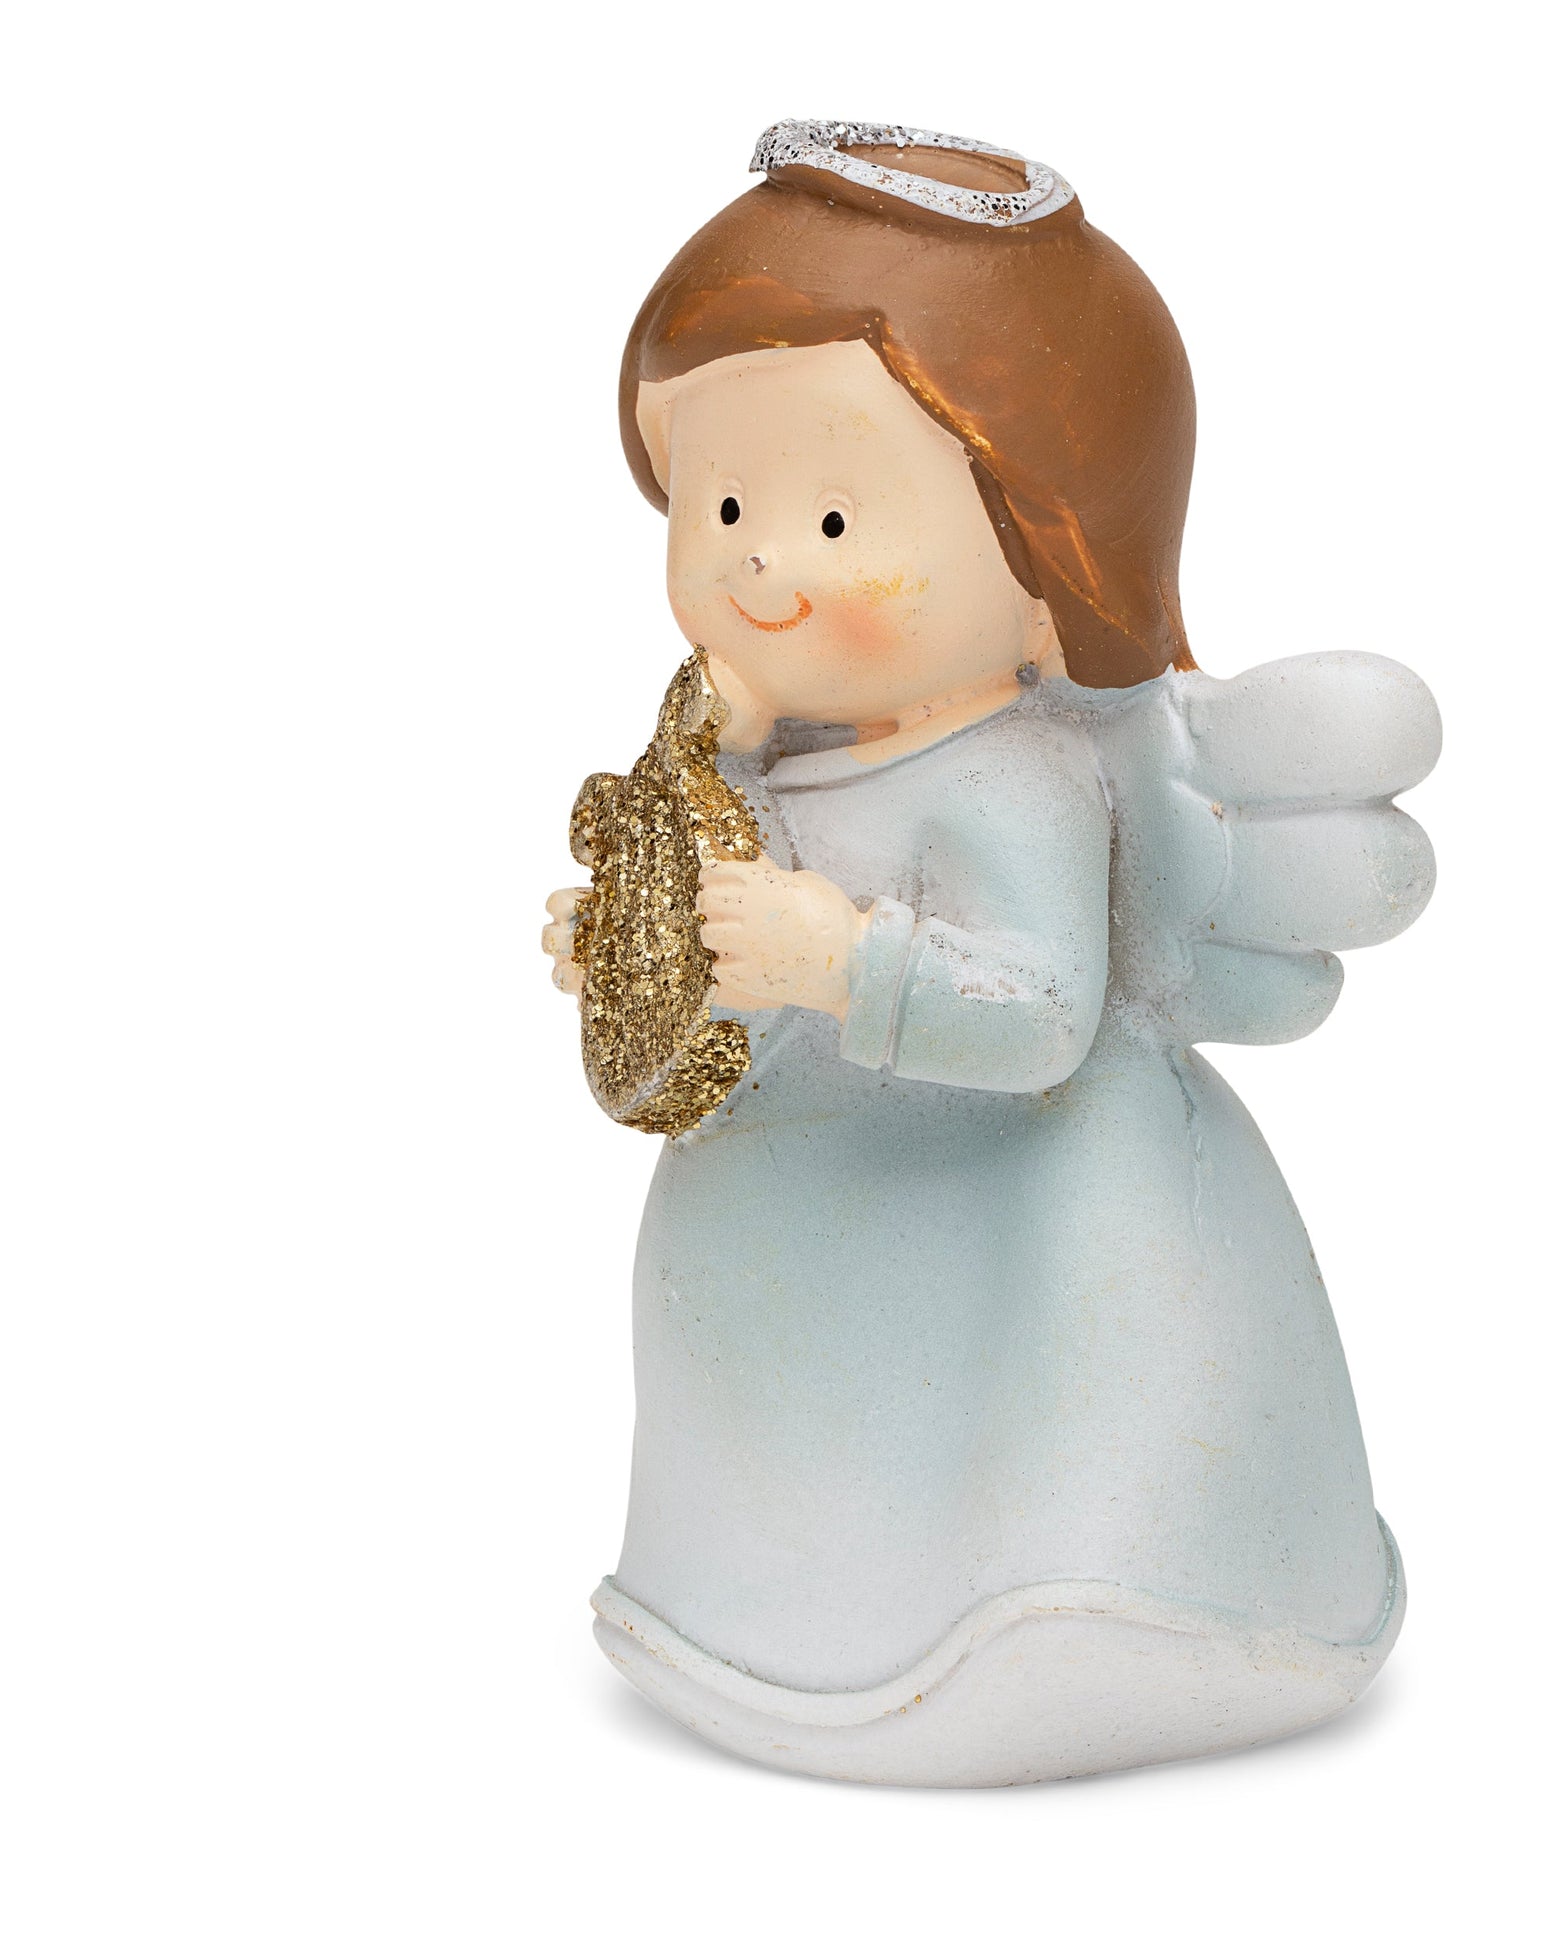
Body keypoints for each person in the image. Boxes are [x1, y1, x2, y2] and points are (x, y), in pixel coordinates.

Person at [543, 121, 1438, 1785]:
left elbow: (1036, 1018)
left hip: (1012, 1205)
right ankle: (755, 1614)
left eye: (832, 513)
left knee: (1016, 1413)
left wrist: (840, 961)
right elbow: (714, 943)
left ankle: (1055, 1619)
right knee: (761, 1381)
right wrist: (630, 937)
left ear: (1044, 571)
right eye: (720, 502)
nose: (755, 559)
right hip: (799, 1192)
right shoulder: (750, 766)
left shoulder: (1013, 783)